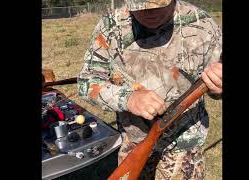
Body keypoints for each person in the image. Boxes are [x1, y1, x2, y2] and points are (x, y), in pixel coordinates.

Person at [77, 0, 222, 179]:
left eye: (159, 4)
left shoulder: (203, 24)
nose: (150, 12)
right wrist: (127, 98)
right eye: (141, 7)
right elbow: (86, 81)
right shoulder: (110, 26)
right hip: (133, 143)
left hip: (185, 151)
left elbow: (218, 85)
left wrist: (218, 86)